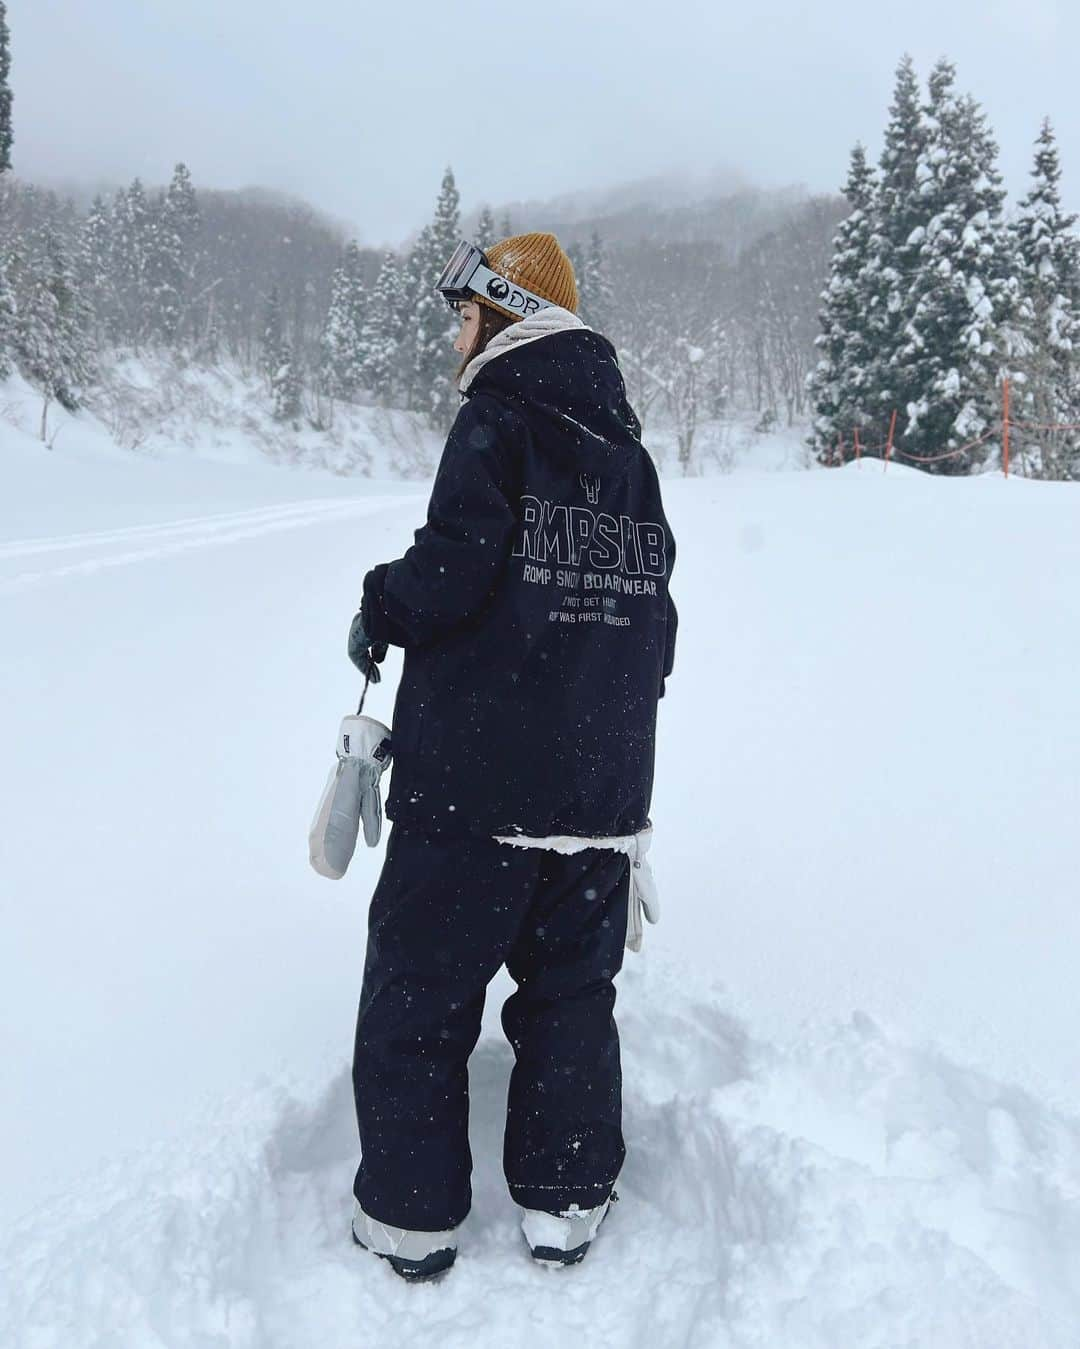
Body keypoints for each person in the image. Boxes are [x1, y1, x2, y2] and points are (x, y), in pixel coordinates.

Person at [346, 231, 677, 1281]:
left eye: (465, 315)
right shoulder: (630, 453)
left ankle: (411, 1218)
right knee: (570, 999)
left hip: (475, 794)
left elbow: (451, 573)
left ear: (503, 312)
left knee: (420, 995)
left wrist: (378, 602)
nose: (457, 335)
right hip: (601, 792)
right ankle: (565, 1202)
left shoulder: (499, 419)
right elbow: (656, 620)